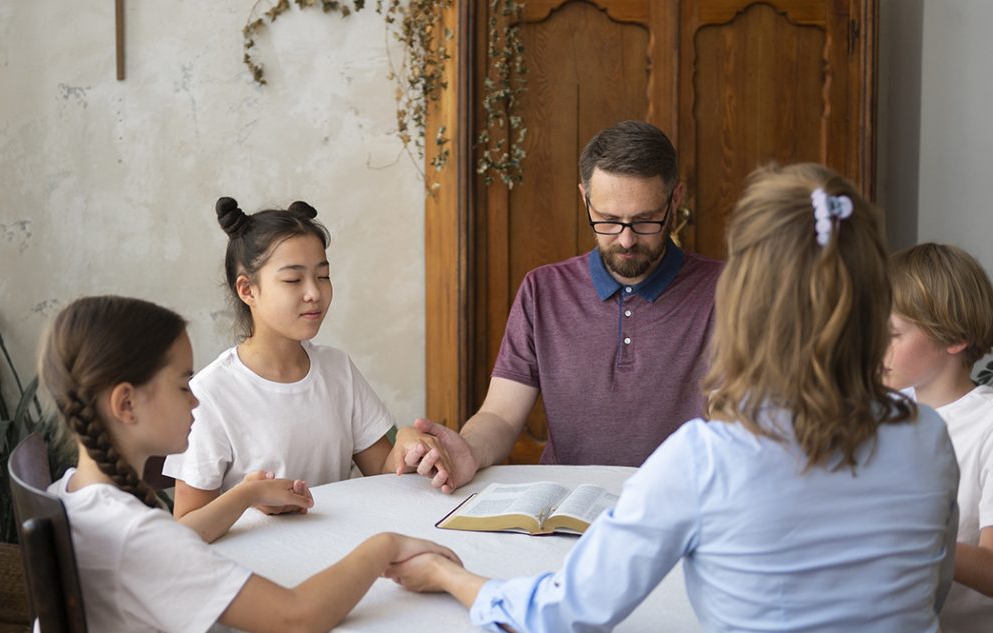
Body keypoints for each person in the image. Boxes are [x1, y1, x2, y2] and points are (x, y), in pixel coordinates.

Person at [384, 163, 960, 632]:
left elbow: (558, 616)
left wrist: (445, 576)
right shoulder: (928, 437)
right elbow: (929, 596)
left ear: (742, 299)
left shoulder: (709, 457)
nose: (627, 237)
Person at [37, 295, 458, 632]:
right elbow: (297, 617)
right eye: (184, 385)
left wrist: (248, 492)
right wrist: (386, 546)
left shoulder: (74, 493)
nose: (196, 398)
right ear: (126, 403)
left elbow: (173, 538)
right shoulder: (134, 534)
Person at [400, 120, 724, 491]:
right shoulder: (543, 289)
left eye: (645, 220)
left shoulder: (729, 291)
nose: (627, 239)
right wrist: (468, 449)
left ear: (675, 199)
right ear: (585, 198)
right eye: (607, 220)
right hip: (565, 508)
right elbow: (501, 415)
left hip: (683, 503)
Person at [163, 197, 434, 518]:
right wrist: (248, 498)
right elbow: (186, 525)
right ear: (247, 289)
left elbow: (386, 478)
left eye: (323, 276)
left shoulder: (338, 369)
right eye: (293, 280)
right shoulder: (210, 393)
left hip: (340, 551)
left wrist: (407, 443)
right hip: (258, 562)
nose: (314, 293)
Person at [883, 242, 993, 633]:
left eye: (891, 333)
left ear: (953, 339)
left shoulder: (987, 426)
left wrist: (912, 536)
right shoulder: (880, 419)